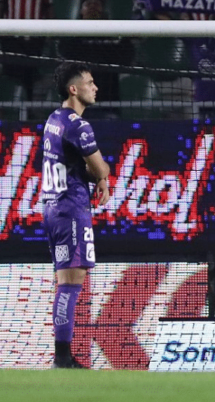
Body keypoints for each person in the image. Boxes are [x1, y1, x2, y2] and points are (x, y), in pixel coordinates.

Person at [42, 62, 110, 368]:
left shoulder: (53, 119)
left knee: (67, 281)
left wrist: (96, 177)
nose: (95, 87)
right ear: (74, 89)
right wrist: (104, 177)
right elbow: (99, 167)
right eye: (90, 82)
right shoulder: (77, 125)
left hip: (53, 207)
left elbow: (69, 162)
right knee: (70, 284)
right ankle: (62, 358)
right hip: (71, 209)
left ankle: (63, 357)